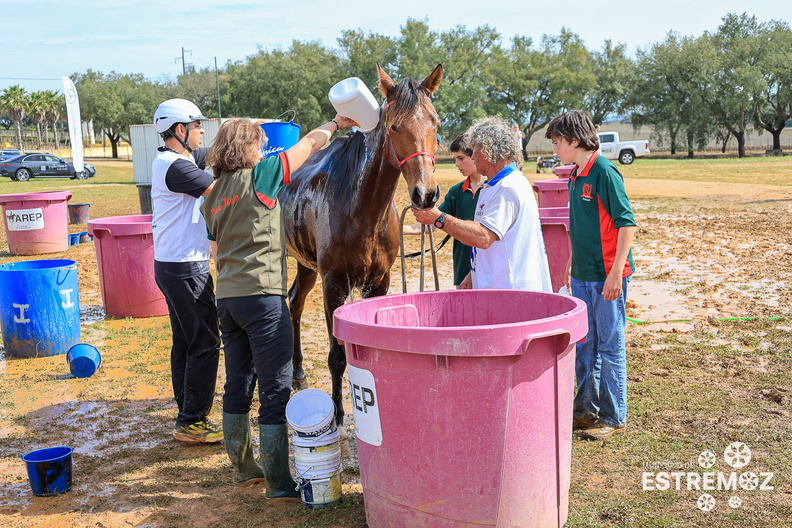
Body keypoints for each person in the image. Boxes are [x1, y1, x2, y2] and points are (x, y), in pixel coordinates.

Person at [200, 115, 356, 501]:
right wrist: (335, 123)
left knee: (237, 381)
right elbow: (311, 146)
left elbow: (215, 253)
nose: (262, 149)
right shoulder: (263, 176)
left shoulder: (212, 194)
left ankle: (242, 469)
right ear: (247, 148)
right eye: (258, 144)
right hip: (264, 298)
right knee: (275, 388)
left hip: (228, 300)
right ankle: (279, 481)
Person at [545, 110, 637, 441]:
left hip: (606, 275)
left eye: (557, 142)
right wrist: (571, 259)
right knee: (585, 342)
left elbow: (627, 225)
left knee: (610, 345)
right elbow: (581, 224)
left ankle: (614, 416)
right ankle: (586, 409)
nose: (555, 148)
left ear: (574, 140)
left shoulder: (604, 172)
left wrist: (615, 274)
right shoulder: (574, 175)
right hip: (583, 274)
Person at [151, 99, 222, 444]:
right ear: (180, 130)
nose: (201, 132)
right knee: (206, 342)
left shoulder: (171, 159)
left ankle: (186, 412)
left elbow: (212, 151)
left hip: (169, 266)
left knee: (185, 342)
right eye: (196, 126)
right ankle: (192, 420)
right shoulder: (179, 168)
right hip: (185, 268)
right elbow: (223, 192)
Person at [412, 117, 551, 292]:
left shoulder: (507, 188)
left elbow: (484, 237)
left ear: (488, 151)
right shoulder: (496, 185)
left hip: (510, 290)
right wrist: (474, 273)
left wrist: (439, 219)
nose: (473, 156)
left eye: (474, 150)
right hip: (500, 287)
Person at [403, 134, 485, 287]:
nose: (456, 164)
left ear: (475, 156)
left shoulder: (493, 190)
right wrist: (402, 229)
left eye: (461, 158)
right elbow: (433, 223)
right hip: (463, 270)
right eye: (455, 159)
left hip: (489, 271)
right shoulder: (456, 192)